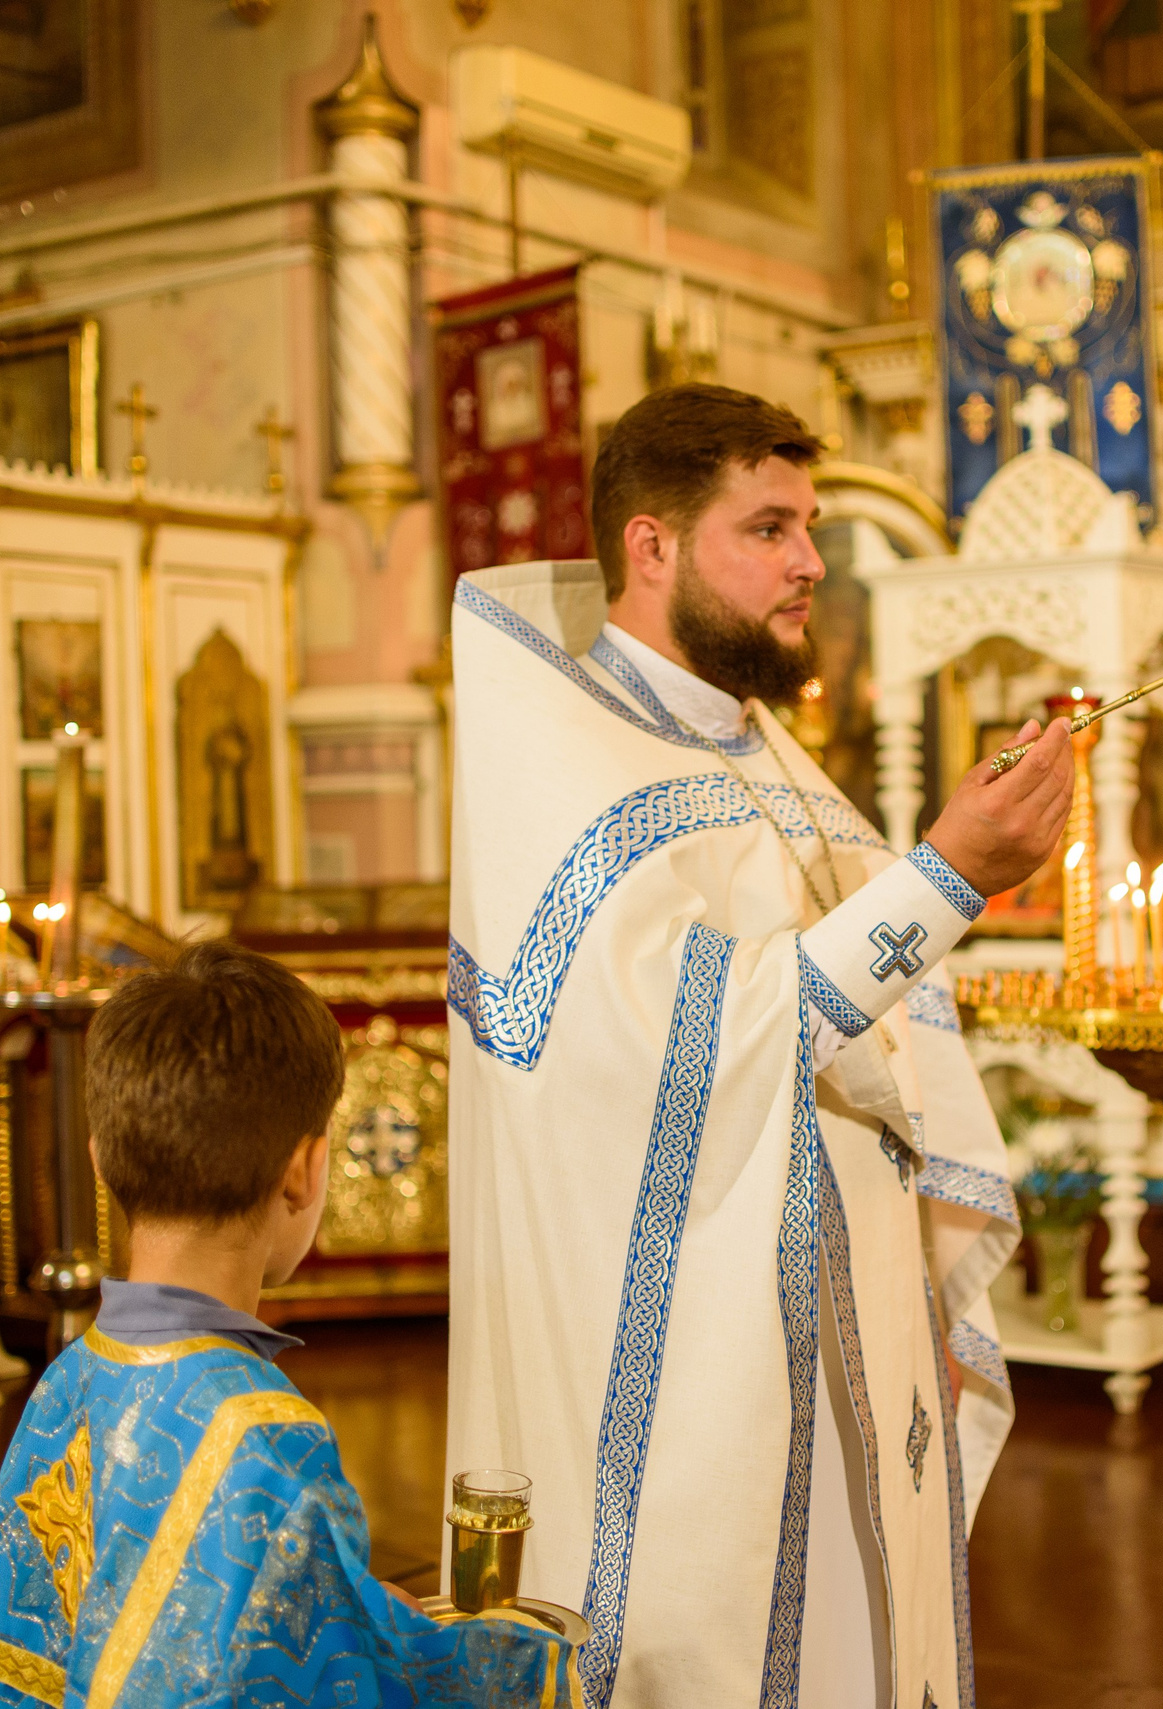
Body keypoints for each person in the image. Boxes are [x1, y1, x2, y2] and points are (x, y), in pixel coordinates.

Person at [446, 383, 1072, 1708]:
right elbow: (694, 1043)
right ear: (652, 544)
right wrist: (950, 871)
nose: (809, 564)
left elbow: (876, 1028)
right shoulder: (565, 759)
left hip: (856, 1341)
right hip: (694, 1370)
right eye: (771, 527)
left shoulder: (762, 750)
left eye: (812, 526)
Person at [0, 941, 580, 1708]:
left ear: (101, 1159)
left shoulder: (63, 1384)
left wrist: (347, 1601)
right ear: (304, 1169)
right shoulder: (266, 1438)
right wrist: (534, 1667)